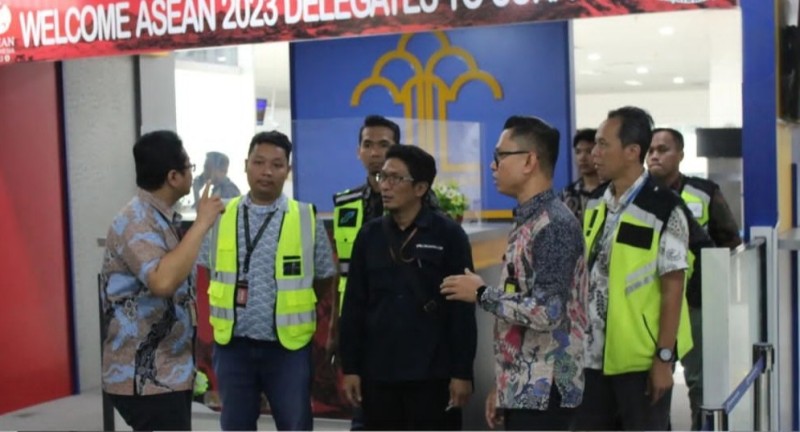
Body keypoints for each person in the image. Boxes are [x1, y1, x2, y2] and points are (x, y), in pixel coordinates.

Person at [440, 116, 588, 431]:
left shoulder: (555, 225)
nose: (493, 166)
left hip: (548, 389)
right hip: (526, 384)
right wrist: (505, 385)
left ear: (530, 161)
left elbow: (548, 312)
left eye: (500, 156)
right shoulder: (529, 219)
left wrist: (481, 293)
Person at [200, 131, 338, 431]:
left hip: (287, 347)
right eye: (259, 162)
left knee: (294, 424)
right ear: (245, 165)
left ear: (287, 171)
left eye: (277, 164)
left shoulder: (305, 217)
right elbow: (211, 270)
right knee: (235, 425)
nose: (266, 171)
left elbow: (325, 277)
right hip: (233, 345)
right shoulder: (220, 215)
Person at [339, 145, 477, 430]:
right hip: (378, 374)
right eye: (382, 178)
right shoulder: (369, 236)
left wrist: (462, 372)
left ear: (421, 188)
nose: (385, 186)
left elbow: (462, 311)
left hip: (432, 374)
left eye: (395, 179)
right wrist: (350, 367)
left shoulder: (449, 235)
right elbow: (353, 305)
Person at [573, 107, 693, 431]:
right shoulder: (596, 202)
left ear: (632, 152)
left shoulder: (665, 208)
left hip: (640, 362)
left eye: (602, 145)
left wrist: (664, 359)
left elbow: (673, 289)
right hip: (592, 357)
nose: (593, 154)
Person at [100, 130, 224, 431]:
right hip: (146, 377)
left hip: (170, 371)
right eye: (188, 167)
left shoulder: (161, 216)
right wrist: (203, 222)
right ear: (173, 176)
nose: (191, 174)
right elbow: (163, 281)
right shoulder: (136, 219)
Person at [647, 127, 742, 430]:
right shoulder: (637, 196)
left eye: (663, 149)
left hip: (695, 304)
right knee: (654, 382)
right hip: (651, 304)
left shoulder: (704, 191)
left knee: (699, 383)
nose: (655, 156)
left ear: (681, 155)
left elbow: (730, 240)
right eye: (650, 150)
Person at [332, 115, 400, 430]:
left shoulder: (413, 201)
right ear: (359, 151)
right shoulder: (344, 203)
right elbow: (337, 270)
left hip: (401, 322)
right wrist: (335, 325)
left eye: (383, 145)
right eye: (367, 144)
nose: (375, 153)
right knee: (364, 412)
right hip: (358, 321)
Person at [561, 128, 600, 222]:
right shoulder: (567, 193)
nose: (582, 157)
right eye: (578, 152)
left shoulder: (611, 191)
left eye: (589, 151)